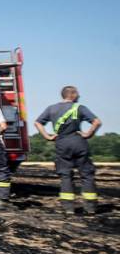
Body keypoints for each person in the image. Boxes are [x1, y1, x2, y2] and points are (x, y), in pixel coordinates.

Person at [34, 86, 101, 215]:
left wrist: (47, 136)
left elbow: (37, 123)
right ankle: (90, 207)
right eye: (78, 94)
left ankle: (68, 207)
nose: (79, 96)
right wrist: (88, 134)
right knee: (87, 175)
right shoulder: (79, 108)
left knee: (65, 175)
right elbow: (97, 122)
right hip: (78, 142)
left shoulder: (51, 108)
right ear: (73, 95)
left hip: (61, 143)